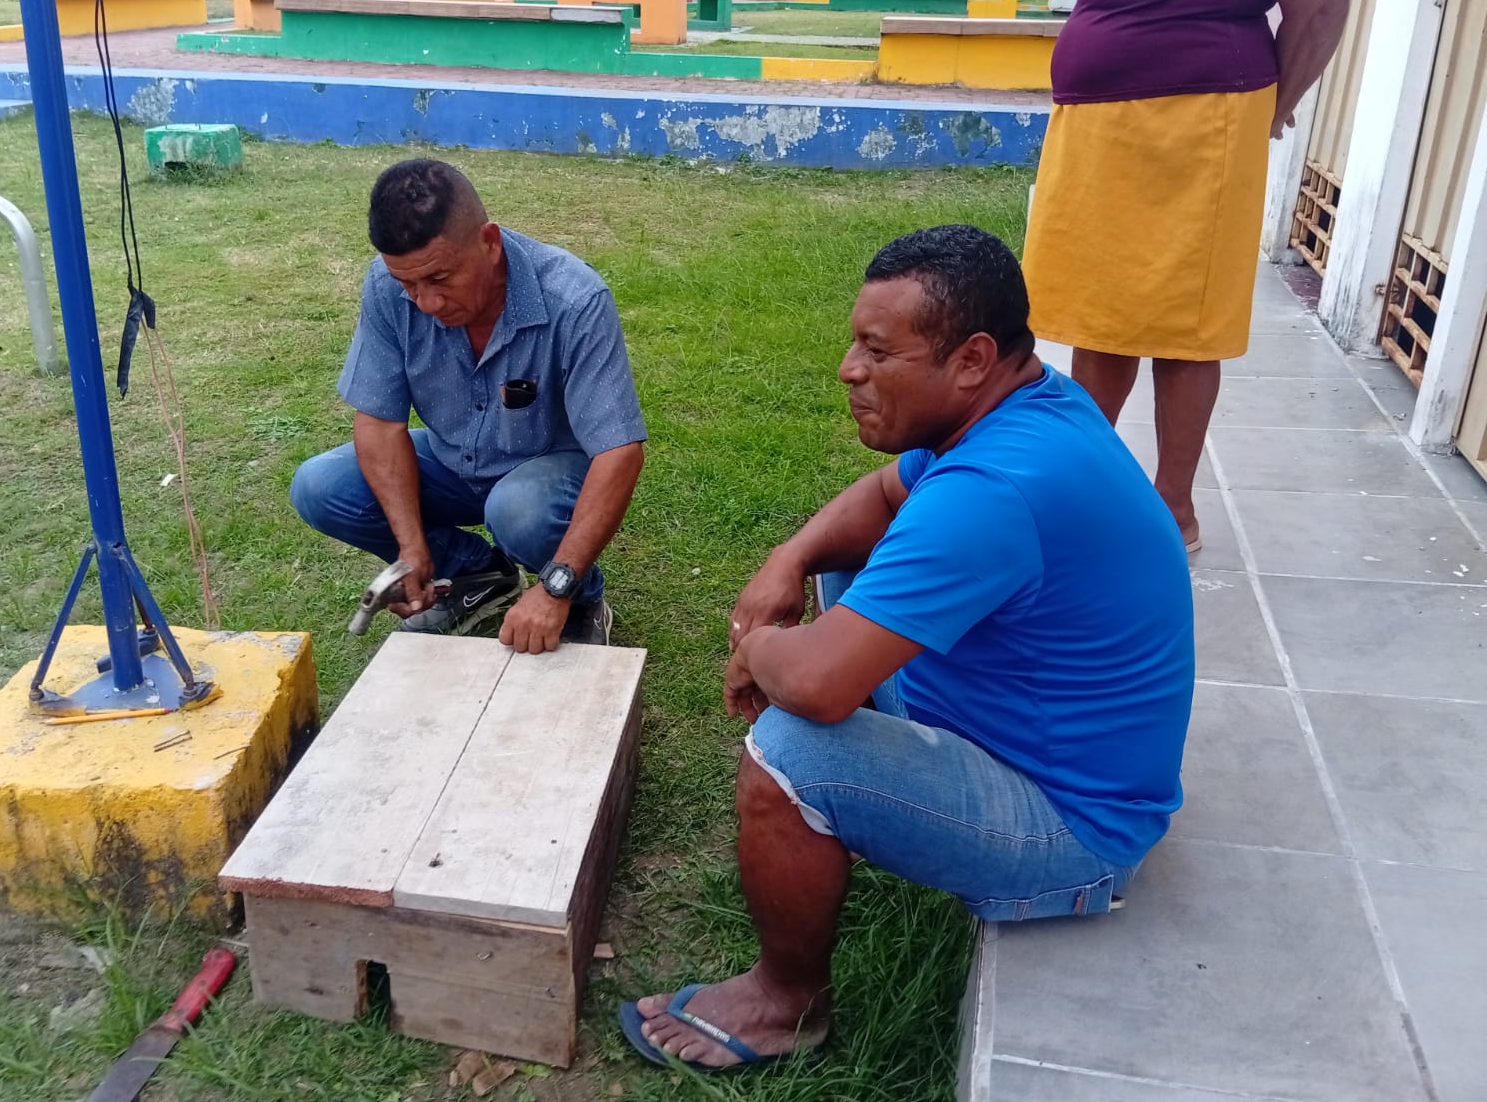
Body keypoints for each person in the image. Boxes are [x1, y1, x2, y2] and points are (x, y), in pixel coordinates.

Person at [619, 226, 1194, 1069]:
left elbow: (816, 685)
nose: (848, 369)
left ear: (972, 359)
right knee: (845, 572)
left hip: (1074, 830)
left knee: (791, 749)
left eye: (878, 350)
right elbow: (887, 496)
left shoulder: (994, 489)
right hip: (1026, 733)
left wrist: (758, 648)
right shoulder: (1026, 405)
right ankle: (867, 806)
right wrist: (788, 559)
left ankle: (785, 1004)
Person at [1022, 0, 1349, 551]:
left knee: (1186, 324)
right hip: (1105, 122)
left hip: (1196, 122)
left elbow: (1320, 6)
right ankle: (1084, 486)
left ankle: (1173, 509)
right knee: (1103, 313)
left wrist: (1271, 109)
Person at [291, 159, 646, 652]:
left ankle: (579, 597)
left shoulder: (574, 298)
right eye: (409, 285)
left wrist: (555, 587)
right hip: (453, 460)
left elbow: (619, 452)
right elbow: (379, 425)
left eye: (440, 277)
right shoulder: (387, 286)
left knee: (518, 509)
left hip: (548, 477)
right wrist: (411, 548)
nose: (426, 303)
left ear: (490, 242)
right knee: (320, 486)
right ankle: (477, 574)